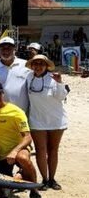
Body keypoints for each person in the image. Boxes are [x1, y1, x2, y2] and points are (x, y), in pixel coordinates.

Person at [25, 55, 68, 190]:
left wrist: (59, 83)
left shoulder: (53, 78)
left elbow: (61, 96)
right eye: (35, 63)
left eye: (41, 63)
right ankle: (44, 179)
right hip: (36, 120)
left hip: (56, 120)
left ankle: (52, 179)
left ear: (46, 66)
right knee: (40, 151)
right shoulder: (28, 77)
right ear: (32, 65)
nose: (38, 66)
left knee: (53, 150)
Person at [0, 36, 30, 113]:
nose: (6, 51)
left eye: (9, 48)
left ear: (15, 49)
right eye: (3, 48)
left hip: (22, 113)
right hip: (1, 113)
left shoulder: (26, 65)